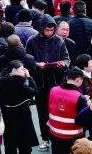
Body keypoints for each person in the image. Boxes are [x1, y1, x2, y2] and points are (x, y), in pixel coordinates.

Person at [25, 18, 69, 151]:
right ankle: (45, 138)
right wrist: (37, 64)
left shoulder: (59, 40)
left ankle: (56, 137)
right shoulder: (32, 40)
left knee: (58, 111)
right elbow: (27, 59)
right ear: (42, 29)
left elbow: (67, 59)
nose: (50, 32)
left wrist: (63, 64)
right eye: (47, 30)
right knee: (42, 112)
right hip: (40, 82)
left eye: (52, 30)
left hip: (56, 82)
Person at [0, 60, 38, 154]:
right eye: (22, 69)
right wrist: (29, 77)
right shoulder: (19, 83)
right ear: (14, 70)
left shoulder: (0, 81)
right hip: (22, 115)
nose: (24, 71)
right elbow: (34, 91)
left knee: (10, 142)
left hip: (7, 114)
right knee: (24, 143)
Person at [47, 67, 88, 154]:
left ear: (67, 77)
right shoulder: (80, 97)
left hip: (54, 134)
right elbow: (83, 120)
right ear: (78, 80)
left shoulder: (53, 90)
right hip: (73, 138)